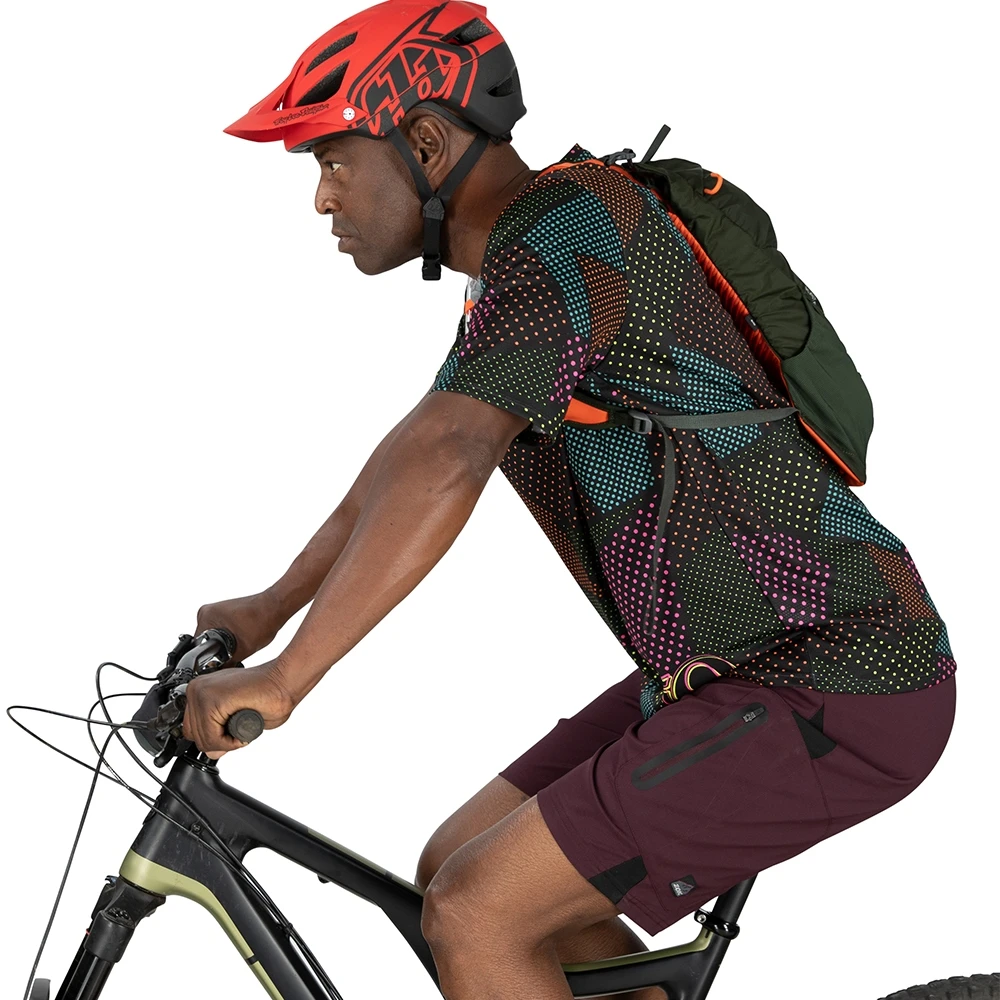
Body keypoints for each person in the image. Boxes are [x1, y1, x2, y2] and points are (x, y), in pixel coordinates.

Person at [181, 2, 958, 997]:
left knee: (478, 912)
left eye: (333, 160)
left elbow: (452, 453)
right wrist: (269, 606)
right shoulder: (525, 263)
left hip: (837, 671)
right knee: (456, 863)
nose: (323, 198)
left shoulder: (569, 226)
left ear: (425, 142)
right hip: (734, 664)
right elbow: (416, 452)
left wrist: (290, 677)